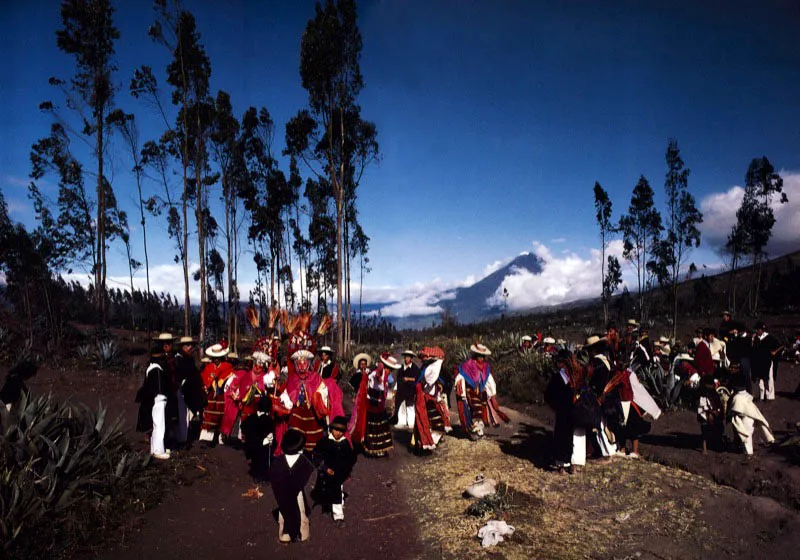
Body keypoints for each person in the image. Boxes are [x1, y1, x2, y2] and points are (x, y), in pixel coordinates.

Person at [279, 349, 330, 453]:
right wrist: (286, 402)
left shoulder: (315, 377)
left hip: (312, 413)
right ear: (296, 364)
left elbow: (323, 389)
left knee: (314, 437)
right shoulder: (292, 378)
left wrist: (318, 396)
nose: (302, 366)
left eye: (304, 363)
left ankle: (313, 456)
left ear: (308, 364)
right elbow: (287, 392)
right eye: (299, 363)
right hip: (297, 413)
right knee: (297, 436)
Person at [269, 429, 316, 543]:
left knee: (285, 512)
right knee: (299, 510)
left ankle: (286, 534)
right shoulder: (303, 461)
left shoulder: (278, 461)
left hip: (282, 495)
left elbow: (273, 478)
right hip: (296, 493)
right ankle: (300, 533)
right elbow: (309, 475)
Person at [350, 353, 396, 457]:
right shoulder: (376, 373)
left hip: (379, 404)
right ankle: (373, 448)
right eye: (390, 369)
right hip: (372, 404)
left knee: (381, 426)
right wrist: (379, 371)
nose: (391, 372)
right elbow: (375, 375)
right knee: (373, 427)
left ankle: (380, 449)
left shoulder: (385, 375)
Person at [312, 416, 356, 526]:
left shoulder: (345, 443)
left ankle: (338, 516)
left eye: (341, 431)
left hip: (338, 474)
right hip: (325, 472)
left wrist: (347, 471)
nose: (338, 433)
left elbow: (350, 459)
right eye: (336, 430)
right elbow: (317, 455)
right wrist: (325, 467)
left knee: (337, 493)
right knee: (325, 490)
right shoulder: (325, 441)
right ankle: (326, 507)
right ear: (331, 429)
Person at [455, 343, 500, 439]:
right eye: (480, 356)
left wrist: (492, 392)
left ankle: (479, 431)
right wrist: (461, 391)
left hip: (481, 392)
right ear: (475, 355)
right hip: (470, 392)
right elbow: (461, 376)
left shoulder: (485, 367)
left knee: (481, 411)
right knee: (473, 411)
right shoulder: (467, 366)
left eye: (483, 356)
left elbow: (489, 379)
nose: (482, 358)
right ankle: (474, 431)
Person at [136, 347, 173, 460]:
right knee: (159, 425)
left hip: (155, 400)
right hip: (158, 399)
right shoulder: (157, 370)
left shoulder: (151, 368)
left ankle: (154, 448)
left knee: (156, 425)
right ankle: (158, 450)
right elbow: (159, 388)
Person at [413, 346, 451, 452]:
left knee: (437, 421)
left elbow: (439, 380)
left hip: (431, 400)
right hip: (423, 400)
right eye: (423, 357)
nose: (424, 359)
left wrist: (440, 385)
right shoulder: (424, 371)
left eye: (425, 357)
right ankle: (424, 444)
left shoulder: (432, 370)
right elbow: (420, 383)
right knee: (424, 421)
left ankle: (432, 441)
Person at [544, 350, 574, 473]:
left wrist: (554, 405)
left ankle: (561, 464)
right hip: (574, 410)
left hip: (562, 410)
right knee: (572, 436)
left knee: (561, 435)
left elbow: (548, 395)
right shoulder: (575, 376)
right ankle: (572, 463)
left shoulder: (557, 377)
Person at [199, 342, 234, 443]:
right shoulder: (208, 367)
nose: (217, 359)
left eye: (218, 357)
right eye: (215, 357)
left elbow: (229, 378)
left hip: (222, 395)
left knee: (222, 416)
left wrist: (219, 379)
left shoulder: (227, 366)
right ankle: (206, 437)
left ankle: (221, 438)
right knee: (209, 416)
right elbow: (205, 378)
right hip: (210, 395)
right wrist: (209, 382)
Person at [729, 383, 775, 457]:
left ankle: (748, 453)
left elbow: (737, 410)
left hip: (746, 418)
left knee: (746, 436)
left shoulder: (737, 397)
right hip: (751, 418)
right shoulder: (747, 395)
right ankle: (747, 451)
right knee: (748, 435)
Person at [174, 336, 204, 446]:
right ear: (182, 347)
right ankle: (182, 439)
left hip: (190, 391)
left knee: (186, 415)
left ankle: (184, 437)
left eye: (191, 345)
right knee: (181, 414)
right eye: (187, 345)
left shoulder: (190, 359)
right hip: (181, 390)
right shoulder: (178, 359)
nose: (190, 347)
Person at [241, 395, 275, 483]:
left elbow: (243, 427)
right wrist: (267, 440)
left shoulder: (250, 418)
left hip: (250, 446)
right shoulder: (268, 420)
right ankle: (262, 475)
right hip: (259, 447)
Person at [751, 322, 783, 402]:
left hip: (768, 361)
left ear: (762, 330)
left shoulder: (769, 338)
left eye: (758, 330)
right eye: (756, 330)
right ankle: (761, 396)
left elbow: (780, 346)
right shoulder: (755, 338)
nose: (757, 331)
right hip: (759, 361)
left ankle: (769, 396)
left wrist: (775, 351)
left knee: (769, 378)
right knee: (760, 379)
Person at [697, 375, 724, 455]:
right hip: (705, 415)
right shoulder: (702, 395)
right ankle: (704, 448)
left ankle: (716, 443)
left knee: (718, 428)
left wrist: (716, 411)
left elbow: (718, 404)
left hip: (714, 413)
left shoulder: (714, 394)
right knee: (704, 432)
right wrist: (711, 412)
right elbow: (702, 407)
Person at [316, 346, 345, 421]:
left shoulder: (333, 366)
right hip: (318, 385)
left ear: (328, 356)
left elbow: (335, 378)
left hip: (328, 387)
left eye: (325, 355)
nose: (323, 357)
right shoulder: (318, 365)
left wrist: (326, 382)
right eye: (322, 355)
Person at [393, 350, 419, 431]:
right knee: (401, 406)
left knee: (410, 407)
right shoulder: (401, 368)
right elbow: (398, 379)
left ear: (411, 358)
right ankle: (402, 422)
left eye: (408, 357)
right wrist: (395, 389)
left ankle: (411, 423)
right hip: (401, 391)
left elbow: (417, 379)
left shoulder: (415, 368)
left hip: (411, 391)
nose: (407, 358)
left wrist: (408, 379)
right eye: (406, 357)